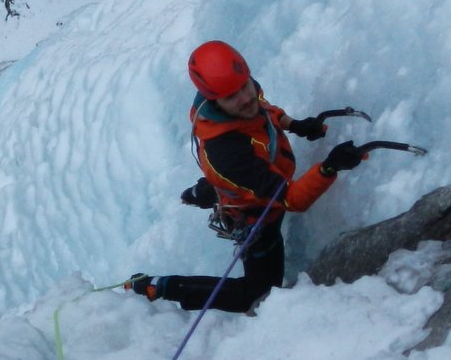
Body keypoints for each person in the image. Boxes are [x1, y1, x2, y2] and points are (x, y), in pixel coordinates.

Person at [123, 40, 366, 313]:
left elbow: (262, 109)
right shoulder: (227, 152)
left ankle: (206, 190)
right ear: (214, 100)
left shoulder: (238, 89)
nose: (245, 97)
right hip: (256, 211)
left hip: (248, 176)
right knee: (254, 295)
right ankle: (162, 286)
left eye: (245, 86)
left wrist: (295, 125)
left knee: (232, 178)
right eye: (231, 97)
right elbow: (292, 200)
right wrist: (330, 167)